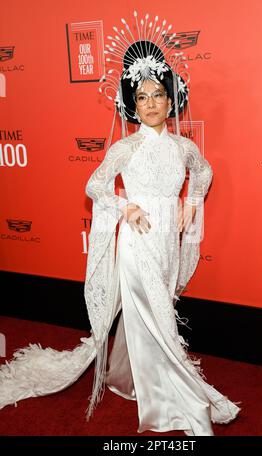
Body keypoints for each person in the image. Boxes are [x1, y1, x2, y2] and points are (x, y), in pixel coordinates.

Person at [0, 12, 241, 436]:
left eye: (158, 95)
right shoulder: (124, 148)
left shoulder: (185, 147)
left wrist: (192, 201)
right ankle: (176, 405)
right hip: (136, 241)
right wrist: (125, 207)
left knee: (154, 313)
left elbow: (204, 174)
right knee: (160, 318)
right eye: (142, 96)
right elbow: (94, 185)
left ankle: (131, 379)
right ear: (133, 104)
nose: (150, 103)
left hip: (166, 239)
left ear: (171, 101)